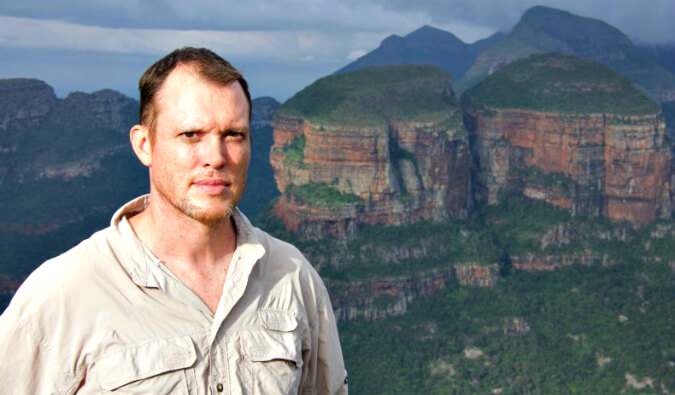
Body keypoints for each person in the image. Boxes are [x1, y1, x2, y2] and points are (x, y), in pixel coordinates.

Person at [0, 47, 348, 394]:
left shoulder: (292, 276)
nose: (216, 156)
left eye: (233, 135)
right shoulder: (63, 294)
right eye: (191, 135)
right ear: (144, 145)